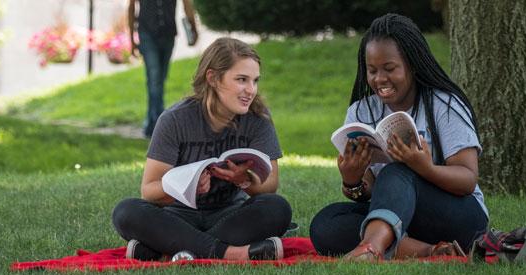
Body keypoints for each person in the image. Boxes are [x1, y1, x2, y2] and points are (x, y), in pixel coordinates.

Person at [309, 13, 489, 261]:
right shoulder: (361, 111)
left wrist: (424, 168)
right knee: (325, 225)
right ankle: (426, 250)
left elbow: (467, 180)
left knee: (398, 171)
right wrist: (352, 181)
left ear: (412, 65)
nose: (379, 79)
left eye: (389, 68)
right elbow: (373, 191)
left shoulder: (444, 105)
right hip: (399, 215)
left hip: (458, 216)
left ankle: (370, 249)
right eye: (372, 70)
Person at [112, 37, 292, 261]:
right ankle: (232, 253)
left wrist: (244, 180)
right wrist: (187, 186)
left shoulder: (258, 119)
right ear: (213, 78)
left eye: (255, 81)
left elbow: (271, 185)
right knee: (126, 212)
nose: (251, 90)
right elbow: (149, 190)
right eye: (241, 80)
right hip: (177, 216)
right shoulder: (175, 119)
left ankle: (168, 251)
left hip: (229, 215)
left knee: (277, 208)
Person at [128, 0, 199, 138]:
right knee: (155, 78)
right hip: (146, 34)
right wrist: (131, 39)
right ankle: (158, 126)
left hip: (168, 34)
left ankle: (150, 123)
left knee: (160, 78)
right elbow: (131, 7)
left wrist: (194, 28)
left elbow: (187, 4)